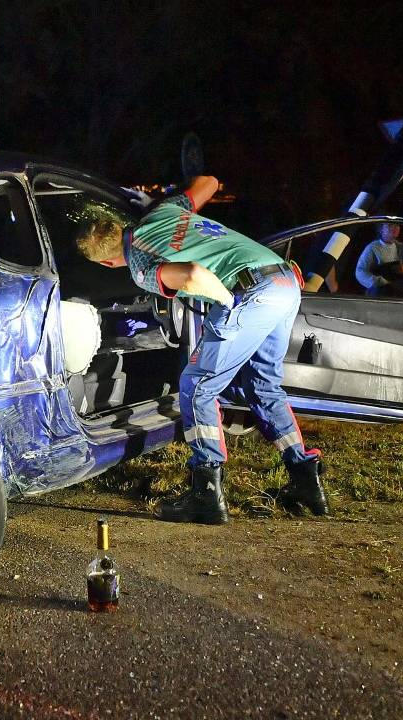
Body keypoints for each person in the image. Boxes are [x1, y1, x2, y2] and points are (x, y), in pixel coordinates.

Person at [75, 176, 327, 522]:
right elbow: (209, 183)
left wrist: (226, 301)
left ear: (105, 262)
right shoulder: (162, 213)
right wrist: (155, 203)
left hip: (250, 291)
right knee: (262, 386)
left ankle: (206, 493)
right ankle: (306, 480)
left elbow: (192, 273)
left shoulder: (141, 265)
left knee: (197, 386)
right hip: (283, 281)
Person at [355, 223, 403, 297]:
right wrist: (378, 281)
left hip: (399, 294)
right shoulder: (372, 247)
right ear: (381, 229)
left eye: (397, 225)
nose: (395, 228)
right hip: (379, 294)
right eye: (390, 225)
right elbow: (360, 271)